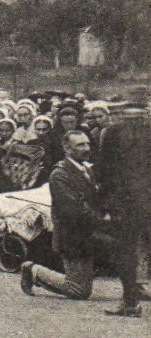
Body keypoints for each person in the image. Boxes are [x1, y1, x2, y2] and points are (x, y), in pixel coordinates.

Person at [21, 131, 107, 304]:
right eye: (80, 145)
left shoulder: (86, 170)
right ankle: (33, 271)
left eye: (87, 144)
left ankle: (135, 286)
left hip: (90, 234)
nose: (86, 148)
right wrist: (104, 219)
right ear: (67, 148)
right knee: (79, 290)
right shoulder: (60, 175)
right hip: (73, 238)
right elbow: (73, 211)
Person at [94, 112, 149, 317]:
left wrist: (102, 202)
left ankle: (130, 302)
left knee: (125, 251)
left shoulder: (112, 132)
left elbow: (102, 170)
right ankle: (130, 301)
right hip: (141, 198)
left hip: (124, 201)